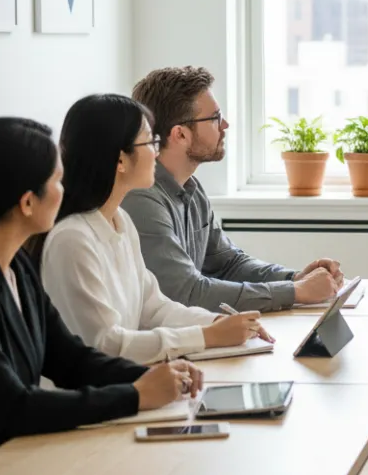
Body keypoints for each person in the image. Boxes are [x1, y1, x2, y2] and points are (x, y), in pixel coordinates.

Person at [0, 117, 202, 466]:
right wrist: (134, 397)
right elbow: (11, 406)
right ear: (28, 202)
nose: (65, 191)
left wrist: (153, 376)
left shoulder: (17, 267)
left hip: (12, 460)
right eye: (57, 181)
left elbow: (71, 359)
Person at [40, 95, 272, 365]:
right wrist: (207, 336)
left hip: (122, 385)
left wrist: (219, 322)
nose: (157, 151)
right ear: (120, 161)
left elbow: (154, 308)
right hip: (92, 399)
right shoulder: (72, 239)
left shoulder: (122, 222)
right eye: (150, 142)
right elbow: (106, 344)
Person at [122, 66, 342, 312]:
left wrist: (295, 278)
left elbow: (229, 264)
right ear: (180, 134)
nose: (225, 125)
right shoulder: (141, 198)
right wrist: (295, 292)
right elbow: (186, 292)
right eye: (215, 118)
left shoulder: (192, 190)